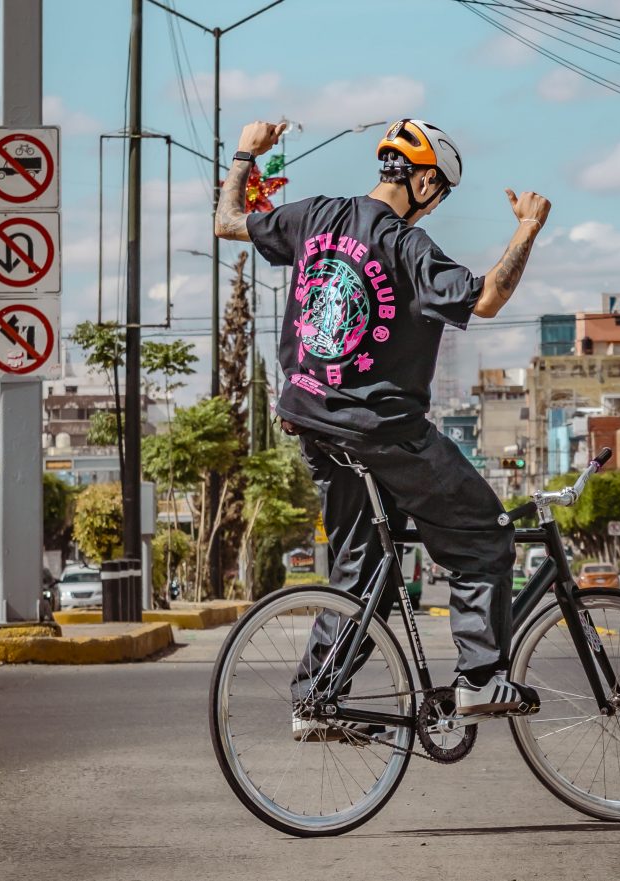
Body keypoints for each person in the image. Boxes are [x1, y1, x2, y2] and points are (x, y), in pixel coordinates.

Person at [215, 118, 550, 729]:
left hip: (313, 422)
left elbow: (228, 221)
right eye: (440, 193)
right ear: (423, 181)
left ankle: (317, 700)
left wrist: (245, 151)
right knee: (485, 537)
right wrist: (527, 229)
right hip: (382, 431)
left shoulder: (315, 215)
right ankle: (479, 678)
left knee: (360, 571)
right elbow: (486, 298)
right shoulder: (407, 246)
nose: (436, 206)